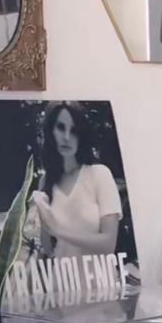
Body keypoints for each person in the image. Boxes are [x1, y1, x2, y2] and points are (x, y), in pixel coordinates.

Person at [31, 101, 123, 260]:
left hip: (100, 282)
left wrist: (58, 230)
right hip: (60, 281)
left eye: (74, 131)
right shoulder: (46, 181)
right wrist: (42, 216)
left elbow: (108, 244)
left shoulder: (99, 175)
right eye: (61, 128)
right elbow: (49, 248)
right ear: (51, 131)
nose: (66, 137)